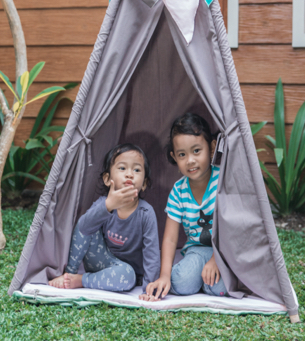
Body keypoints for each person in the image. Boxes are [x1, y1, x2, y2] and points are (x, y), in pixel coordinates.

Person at [49, 143, 160, 294]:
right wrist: (109, 205)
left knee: (127, 276)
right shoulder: (103, 204)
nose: (129, 174)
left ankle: (82, 280)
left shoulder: (146, 213)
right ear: (107, 179)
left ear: (144, 183)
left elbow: (152, 255)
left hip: (129, 273)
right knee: (86, 224)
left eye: (137, 170)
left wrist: (149, 288)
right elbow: (83, 228)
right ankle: (69, 274)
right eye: (122, 168)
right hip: (102, 261)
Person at [143, 113, 228, 301]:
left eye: (196, 151)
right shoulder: (178, 191)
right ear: (174, 157)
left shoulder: (222, 181)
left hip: (224, 251)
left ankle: (210, 279)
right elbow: (171, 239)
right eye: (182, 154)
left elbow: (232, 228)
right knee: (179, 282)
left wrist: (216, 260)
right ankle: (202, 278)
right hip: (196, 250)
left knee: (220, 288)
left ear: (212, 148)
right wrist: (164, 275)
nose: (190, 160)